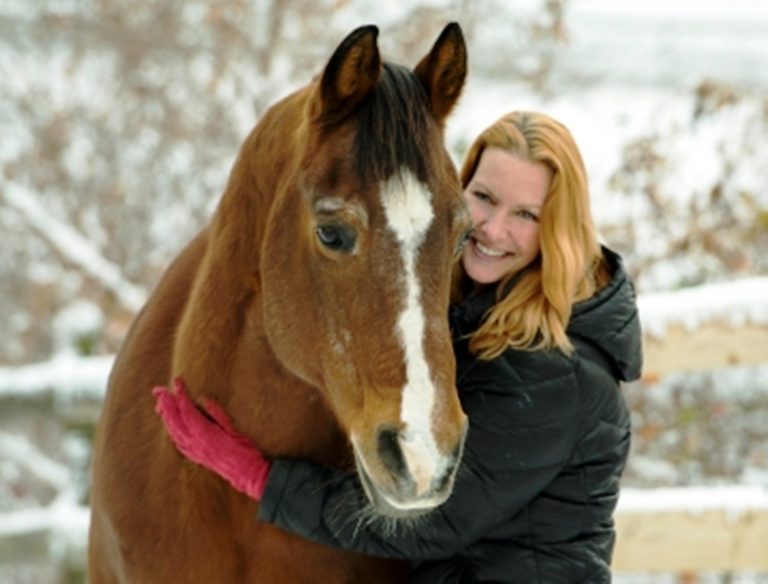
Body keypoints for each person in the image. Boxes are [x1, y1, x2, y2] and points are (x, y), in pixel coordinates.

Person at [155, 110, 643, 583]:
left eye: (524, 215)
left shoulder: (560, 368)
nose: (493, 229)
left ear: (558, 228)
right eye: (484, 197)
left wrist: (258, 477)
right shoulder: (475, 308)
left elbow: (432, 521)